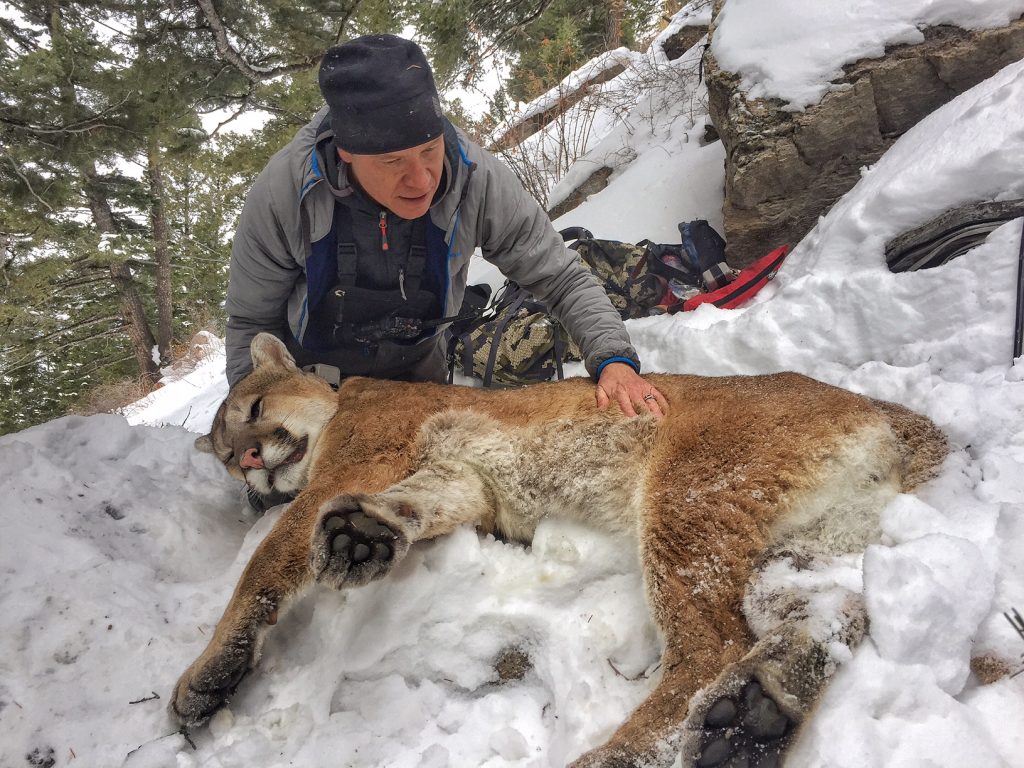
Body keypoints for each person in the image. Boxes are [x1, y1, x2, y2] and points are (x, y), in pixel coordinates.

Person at [224, 33, 666, 420]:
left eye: (429, 150)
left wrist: (613, 360)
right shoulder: (286, 192)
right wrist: (251, 421)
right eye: (393, 161)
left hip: (416, 377)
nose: (421, 180)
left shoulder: (477, 180)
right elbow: (251, 322)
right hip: (311, 385)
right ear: (348, 154)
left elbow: (562, 277)